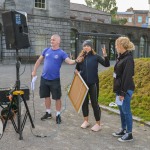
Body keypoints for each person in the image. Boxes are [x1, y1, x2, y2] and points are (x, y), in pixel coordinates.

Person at [32, 34, 80, 124]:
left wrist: (76, 60)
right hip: (44, 78)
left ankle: (58, 114)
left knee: (57, 98)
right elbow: (39, 60)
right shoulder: (46, 50)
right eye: (51, 39)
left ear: (58, 41)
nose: (51, 41)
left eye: (53, 40)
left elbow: (69, 61)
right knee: (46, 96)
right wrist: (34, 71)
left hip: (55, 80)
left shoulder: (61, 53)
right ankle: (48, 113)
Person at [75, 40, 110, 132]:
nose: (86, 47)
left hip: (93, 83)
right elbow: (77, 69)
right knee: (84, 102)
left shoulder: (96, 56)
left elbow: (107, 65)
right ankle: (86, 121)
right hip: (83, 84)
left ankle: (98, 124)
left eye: (88, 45)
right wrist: (76, 72)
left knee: (94, 103)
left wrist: (105, 55)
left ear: (91, 47)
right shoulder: (81, 57)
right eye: (84, 45)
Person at [112, 36, 135, 142]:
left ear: (121, 46)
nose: (115, 47)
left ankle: (129, 134)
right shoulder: (121, 57)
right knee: (121, 111)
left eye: (117, 45)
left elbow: (127, 77)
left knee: (126, 111)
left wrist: (122, 93)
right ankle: (123, 129)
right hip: (119, 89)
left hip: (125, 90)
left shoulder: (128, 59)